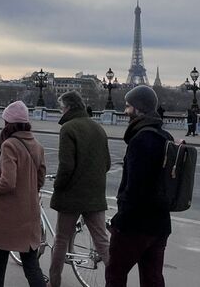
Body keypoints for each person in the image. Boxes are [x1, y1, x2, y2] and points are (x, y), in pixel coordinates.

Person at [106, 86, 173, 287]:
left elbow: (135, 189)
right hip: (160, 223)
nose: (125, 111)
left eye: (128, 106)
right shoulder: (165, 137)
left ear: (139, 108)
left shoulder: (140, 140)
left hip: (135, 225)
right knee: (153, 279)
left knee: (115, 275)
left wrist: (119, 221)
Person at [48, 91, 110, 287]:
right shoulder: (98, 128)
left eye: (61, 108)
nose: (60, 111)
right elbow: (107, 163)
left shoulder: (68, 128)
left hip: (72, 196)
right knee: (102, 242)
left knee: (61, 240)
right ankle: (116, 281)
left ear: (67, 107)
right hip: (95, 195)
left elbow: (66, 166)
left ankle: (54, 282)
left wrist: (58, 186)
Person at [0, 100, 47, 287]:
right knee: (31, 265)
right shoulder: (37, 145)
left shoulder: (10, 145)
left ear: (8, 123)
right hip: (29, 213)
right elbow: (40, 179)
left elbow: (7, 182)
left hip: (7, 216)